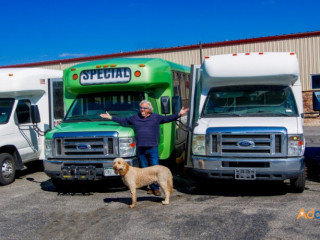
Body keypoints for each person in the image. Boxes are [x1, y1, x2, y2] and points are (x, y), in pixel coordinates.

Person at [100, 100, 189, 196]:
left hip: (152, 148)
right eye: (141, 108)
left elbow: (168, 118)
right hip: (141, 148)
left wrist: (179, 114)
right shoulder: (136, 117)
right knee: (145, 170)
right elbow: (124, 121)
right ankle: (150, 187)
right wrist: (111, 117)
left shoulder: (156, 117)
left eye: (144, 108)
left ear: (149, 109)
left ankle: (156, 188)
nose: (142, 109)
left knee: (155, 169)